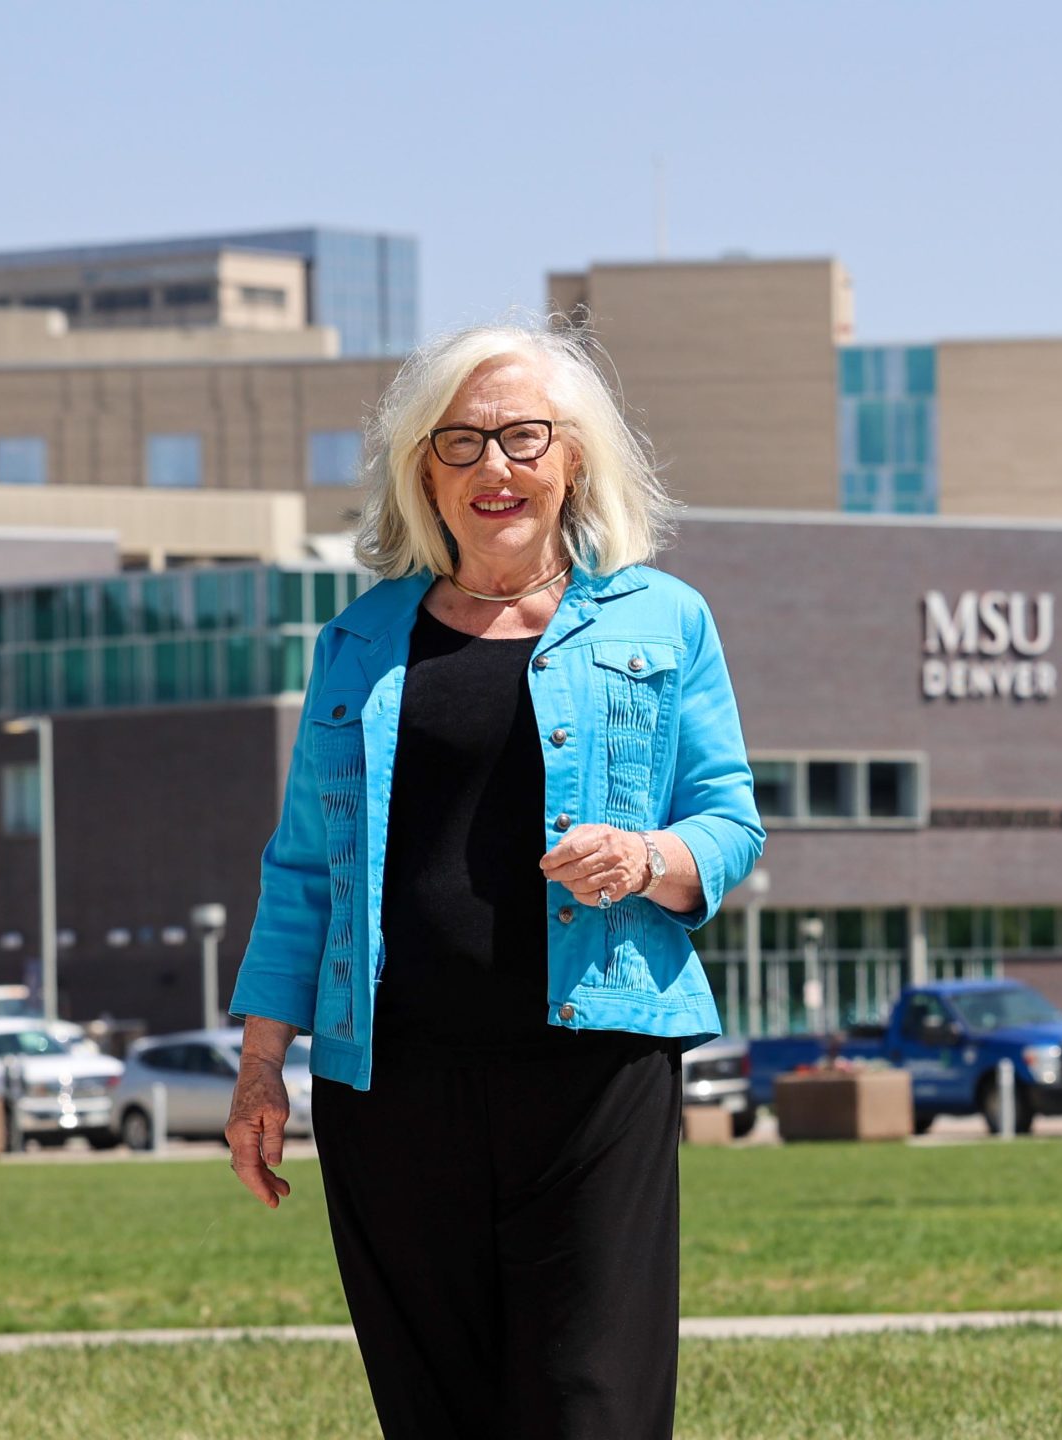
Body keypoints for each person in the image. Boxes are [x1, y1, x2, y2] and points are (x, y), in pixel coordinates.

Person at [222, 319, 764, 1438]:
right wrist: (261, 1069)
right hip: (392, 1085)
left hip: (594, 1072)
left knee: (590, 1404)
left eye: (523, 437)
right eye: (460, 442)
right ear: (423, 468)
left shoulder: (663, 620)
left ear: (573, 458)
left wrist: (647, 857)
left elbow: (728, 822)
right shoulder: (360, 640)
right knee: (438, 1412)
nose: (494, 469)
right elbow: (303, 873)